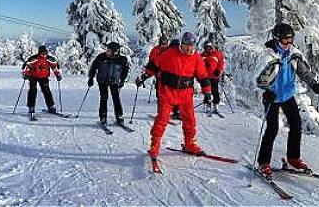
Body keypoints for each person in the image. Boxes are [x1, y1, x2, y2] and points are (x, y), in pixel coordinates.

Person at [255, 23, 319, 177]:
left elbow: (305, 74)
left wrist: (316, 86)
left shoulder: (293, 55)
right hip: (272, 97)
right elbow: (257, 79)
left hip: (288, 95)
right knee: (272, 129)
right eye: (284, 41)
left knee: (296, 124)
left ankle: (293, 158)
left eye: (290, 40)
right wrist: (266, 91)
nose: (288, 44)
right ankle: (263, 162)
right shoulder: (268, 56)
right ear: (276, 40)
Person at [135, 32, 212, 164]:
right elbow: (154, 65)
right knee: (162, 119)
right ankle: (155, 146)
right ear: (182, 44)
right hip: (167, 92)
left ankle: (189, 144)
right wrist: (143, 77)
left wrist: (207, 93)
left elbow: (203, 77)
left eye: (192, 46)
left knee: (190, 120)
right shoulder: (169, 53)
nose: (189, 48)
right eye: (187, 45)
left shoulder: (197, 58)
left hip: (185, 95)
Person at [88, 42, 129, 126]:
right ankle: (103, 117)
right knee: (104, 97)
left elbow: (125, 71)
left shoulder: (122, 59)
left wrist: (122, 80)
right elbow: (93, 67)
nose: (107, 52)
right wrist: (91, 78)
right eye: (107, 50)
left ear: (115, 51)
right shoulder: (101, 57)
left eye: (109, 51)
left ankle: (119, 117)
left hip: (114, 81)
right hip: (102, 81)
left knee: (116, 98)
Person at [22, 45, 62, 119]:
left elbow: (55, 66)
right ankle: (31, 107)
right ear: (39, 52)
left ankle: (51, 106)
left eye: (44, 52)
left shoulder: (49, 59)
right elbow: (26, 66)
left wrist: (58, 75)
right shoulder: (34, 58)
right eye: (42, 52)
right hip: (33, 76)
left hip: (44, 76)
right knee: (33, 90)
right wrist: (25, 74)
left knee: (46, 90)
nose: (43, 54)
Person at [201, 40, 225, 113]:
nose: (208, 50)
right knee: (206, 91)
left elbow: (221, 63)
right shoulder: (202, 56)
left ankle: (215, 104)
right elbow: (198, 65)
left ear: (211, 47)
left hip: (214, 76)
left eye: (209, 48)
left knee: (215, 91)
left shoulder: (217, 54)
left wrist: (218, 70)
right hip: (206, 76)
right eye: (206, 48)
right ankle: (207, 104)